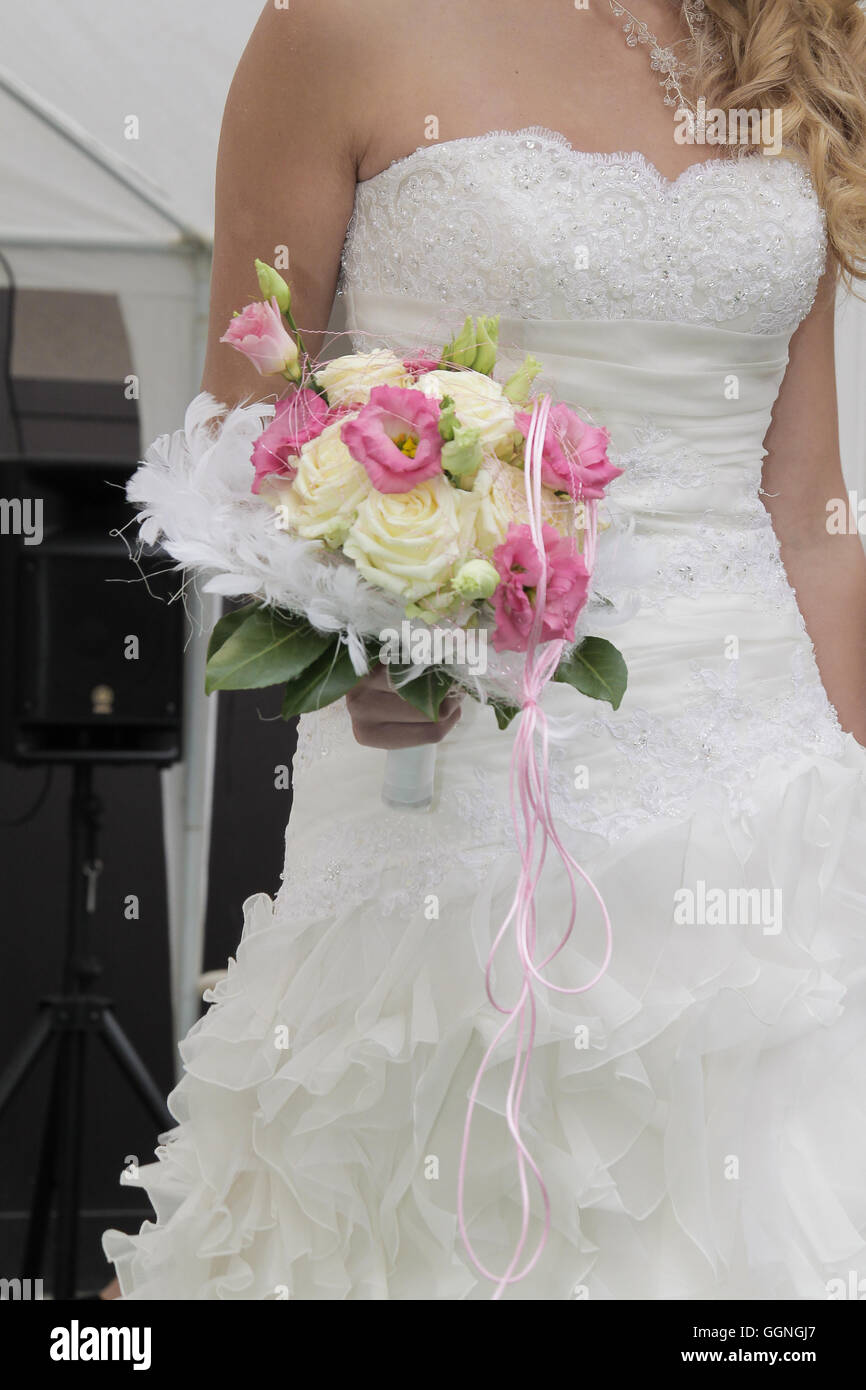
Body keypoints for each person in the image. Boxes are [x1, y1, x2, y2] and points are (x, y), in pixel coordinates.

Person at [102, 0, 866, 1299]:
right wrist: (360, 643)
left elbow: (810, 514)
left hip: (770, 789)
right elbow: (234, 447)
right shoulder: (332, 29)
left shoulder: (796, 32)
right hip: (451, 762)